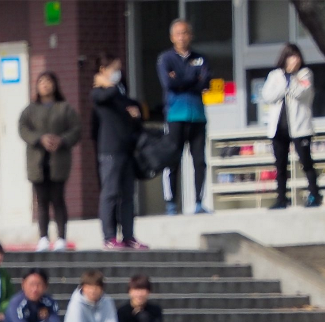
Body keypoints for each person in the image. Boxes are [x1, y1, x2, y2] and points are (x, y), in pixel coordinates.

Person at [18, 72, 81, 252]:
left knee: (58, 199)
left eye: (48, 81)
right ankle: (43, 237)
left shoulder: (65, 108)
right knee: (41, 201)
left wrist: (61, 140)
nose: (45, 85)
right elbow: (22, 128)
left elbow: (76, 129)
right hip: (37, 162)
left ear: (55, 85)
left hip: (58, 161)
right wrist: (40, 139)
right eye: (41, 82)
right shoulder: (30, 109)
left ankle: (61, 237)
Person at [90, 54, 147, 250]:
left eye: (119, 69)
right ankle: (109, 236)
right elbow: (106, 96)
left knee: (128, 195)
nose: (118, 73)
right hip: (109, 151)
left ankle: (129, 235)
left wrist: (136, 114)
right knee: (110, 193)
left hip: (127, 150)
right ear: (103, 71)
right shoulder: (99, 94)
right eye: (114, 69)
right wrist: (105, 83)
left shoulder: (120, 94)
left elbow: (132, 108)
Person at [157, 19, 212, 215]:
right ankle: (171, 203)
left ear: (191, 35)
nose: (182, 37)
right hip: (175, 116)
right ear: (172, 37)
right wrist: (191, 79)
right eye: (178, 34)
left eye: (185, 33)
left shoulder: (200, 58)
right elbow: (168, 84)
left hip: (197, 116)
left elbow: (206, 83)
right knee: (172, 161)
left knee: (199, 161)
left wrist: (180, 79)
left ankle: (198, 202)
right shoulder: (165, 58)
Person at [262, 44, 321, 209]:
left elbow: (301, 92)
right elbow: (268, 96)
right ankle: (281, 199)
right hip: (278, 128)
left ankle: (315, 195)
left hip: (300, 127)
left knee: (306, 162)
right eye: (291, 56)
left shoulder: (305, 74)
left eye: (297, 57)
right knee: (280, 165)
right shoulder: (275, 75)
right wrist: (284, 82)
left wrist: (292, 78)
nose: (294, 60)